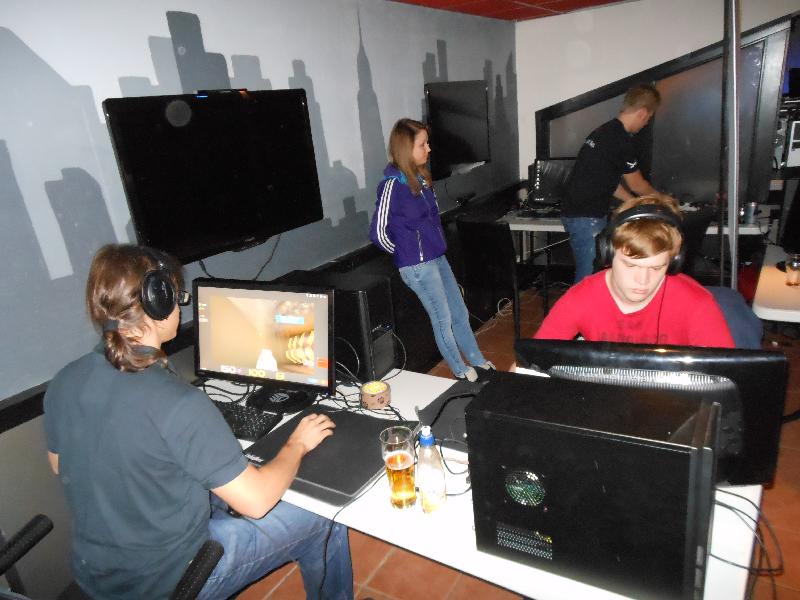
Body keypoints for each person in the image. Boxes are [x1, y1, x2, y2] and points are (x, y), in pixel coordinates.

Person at [43, 244, 353, 600]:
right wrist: (296, 444)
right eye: (178, 297)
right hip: (170, 580)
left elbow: (60, 465)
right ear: (159, 305)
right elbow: (257, 502)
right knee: (322, 518)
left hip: (97, 576)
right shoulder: (179, 403)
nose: (181, 306)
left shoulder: (65, 381)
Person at [369, 118, 494, 381]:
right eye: (422, 144)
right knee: (442, 319)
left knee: (459, 312)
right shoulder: (392, 185)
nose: (429, 149)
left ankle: (477, 360)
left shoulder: (422, 179)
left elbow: (431, 221)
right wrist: (405, 253)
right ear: (406, 149)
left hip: (437, 257)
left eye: (427, 143)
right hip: (417, 266)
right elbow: (378, 233)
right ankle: (461, 371)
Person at [535, 195, 735, 347]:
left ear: (673, 262)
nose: (643, 280)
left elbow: (726, 377)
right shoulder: (580, 298)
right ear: (608, 255)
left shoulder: (697, 303)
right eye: (631, 265)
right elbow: (536, 361)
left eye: (656, 268)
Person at [562, 83, 672, 283]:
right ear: (642, 113)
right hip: (587, 216)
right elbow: (638, 184)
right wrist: (666, 203)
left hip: (581, 213)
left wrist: (633, 203)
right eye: (648, 118)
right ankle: (581, 305)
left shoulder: (604, 131)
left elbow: (607, 181)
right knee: (589, 277)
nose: (646, 123)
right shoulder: (620, 139)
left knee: (596, 273)